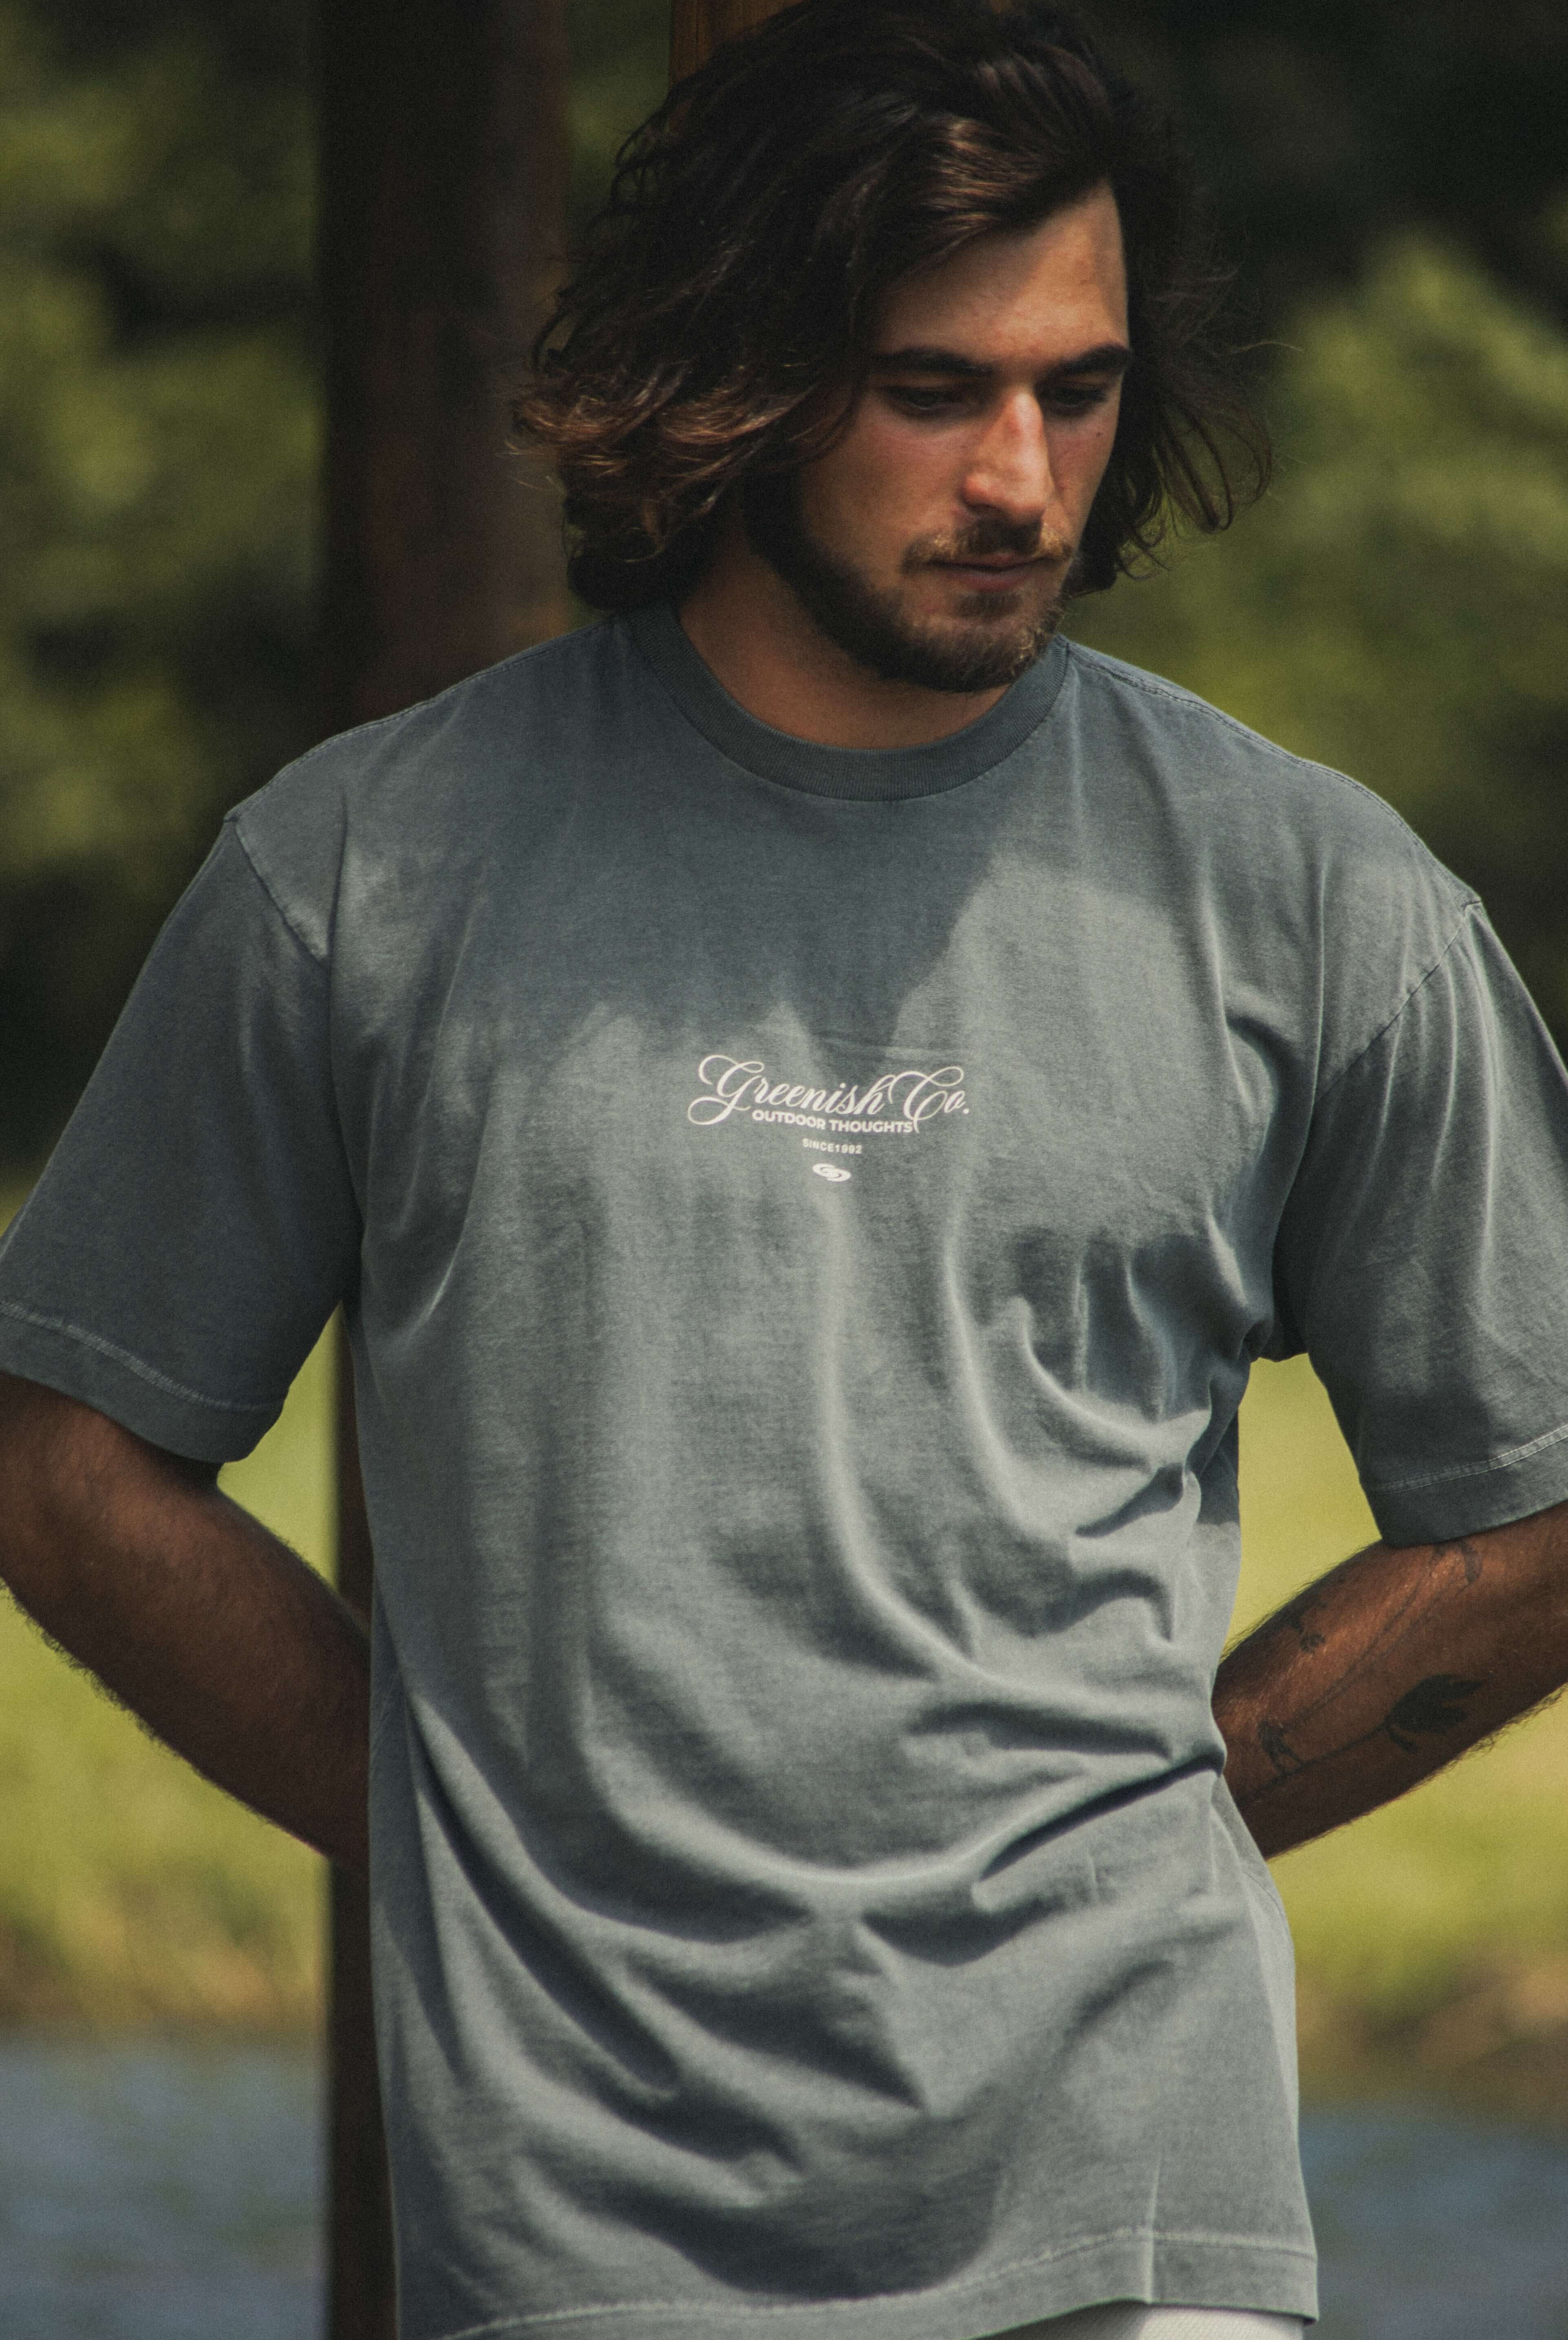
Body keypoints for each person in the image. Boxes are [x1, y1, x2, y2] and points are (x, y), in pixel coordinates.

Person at [2, 2, 1566, 2335]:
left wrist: (1155, 1813)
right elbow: (73, 1466)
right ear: (741, 371)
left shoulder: (1307, 899)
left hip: (1133, 2224)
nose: (1025, 477)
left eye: (1080, 386)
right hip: (571, 2246)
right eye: (936, 390)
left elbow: (1534, 1502)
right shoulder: (365, 872)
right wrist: (467, 1835)